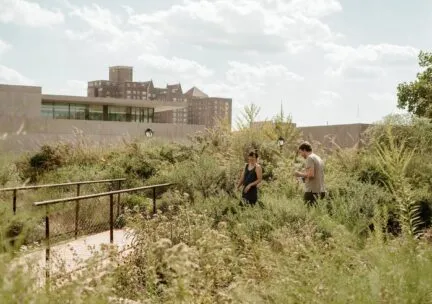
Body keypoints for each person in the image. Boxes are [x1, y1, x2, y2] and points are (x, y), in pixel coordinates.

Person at [294, 142, 326, 206]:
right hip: (321, 191)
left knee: (309, 214)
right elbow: (316, 175)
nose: (301, 155)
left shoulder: (310, 158)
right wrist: (304, 177)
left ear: (304, 150)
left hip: (312, 192)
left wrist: (299, 174)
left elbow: (311, 175)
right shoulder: (318, 158)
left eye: (300, 152)